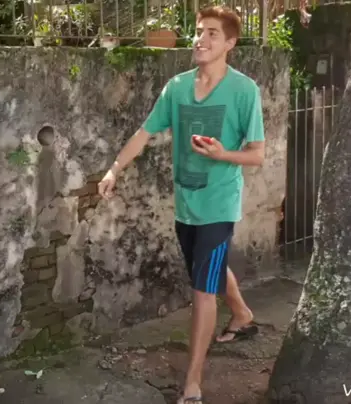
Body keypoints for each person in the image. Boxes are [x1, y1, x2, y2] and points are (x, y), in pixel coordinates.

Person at [97, 5, 265, 403]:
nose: (200, 39)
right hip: (186, 202)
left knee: (202, 290)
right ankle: (242, 314)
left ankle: (192, 382)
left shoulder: (244, 91)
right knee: (208, 269)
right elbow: (144, 133)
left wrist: (223, 155)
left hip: (219, 203)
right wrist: (114, 170)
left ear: (229, 43)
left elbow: (257, 154)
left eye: (211, 33)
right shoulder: (176, 88)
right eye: (198, 31)